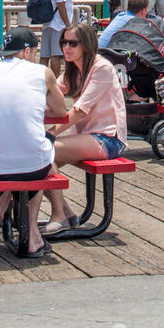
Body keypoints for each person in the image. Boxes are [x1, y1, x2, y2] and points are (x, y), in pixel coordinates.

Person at [0, 27, 70, 257]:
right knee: (35, 159)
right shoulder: (42, 73)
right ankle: (32, 235)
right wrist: (34, 105)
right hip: (33, 166)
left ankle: (0, 206)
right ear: (27, 51)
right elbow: (60, 111)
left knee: (24, 154)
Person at [36, 20, 128, 234]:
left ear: (86, 45)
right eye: (64, 42)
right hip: (87, 136)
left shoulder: (102, 67)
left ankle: (59, 215)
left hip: (109, 139)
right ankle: (66, 213)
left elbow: (80, 111)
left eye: (72, 43)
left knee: (43, 150)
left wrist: (51, 133)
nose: (66, 47)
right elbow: (53, 93)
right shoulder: (73, 69)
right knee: (36, 158)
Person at [40, 0, 77, 78]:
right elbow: (61, 5)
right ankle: (54, 84)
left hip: (48, 21)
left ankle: (42, 81)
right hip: (58, 24)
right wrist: (68, 24)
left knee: (44, 55)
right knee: (56, 55)